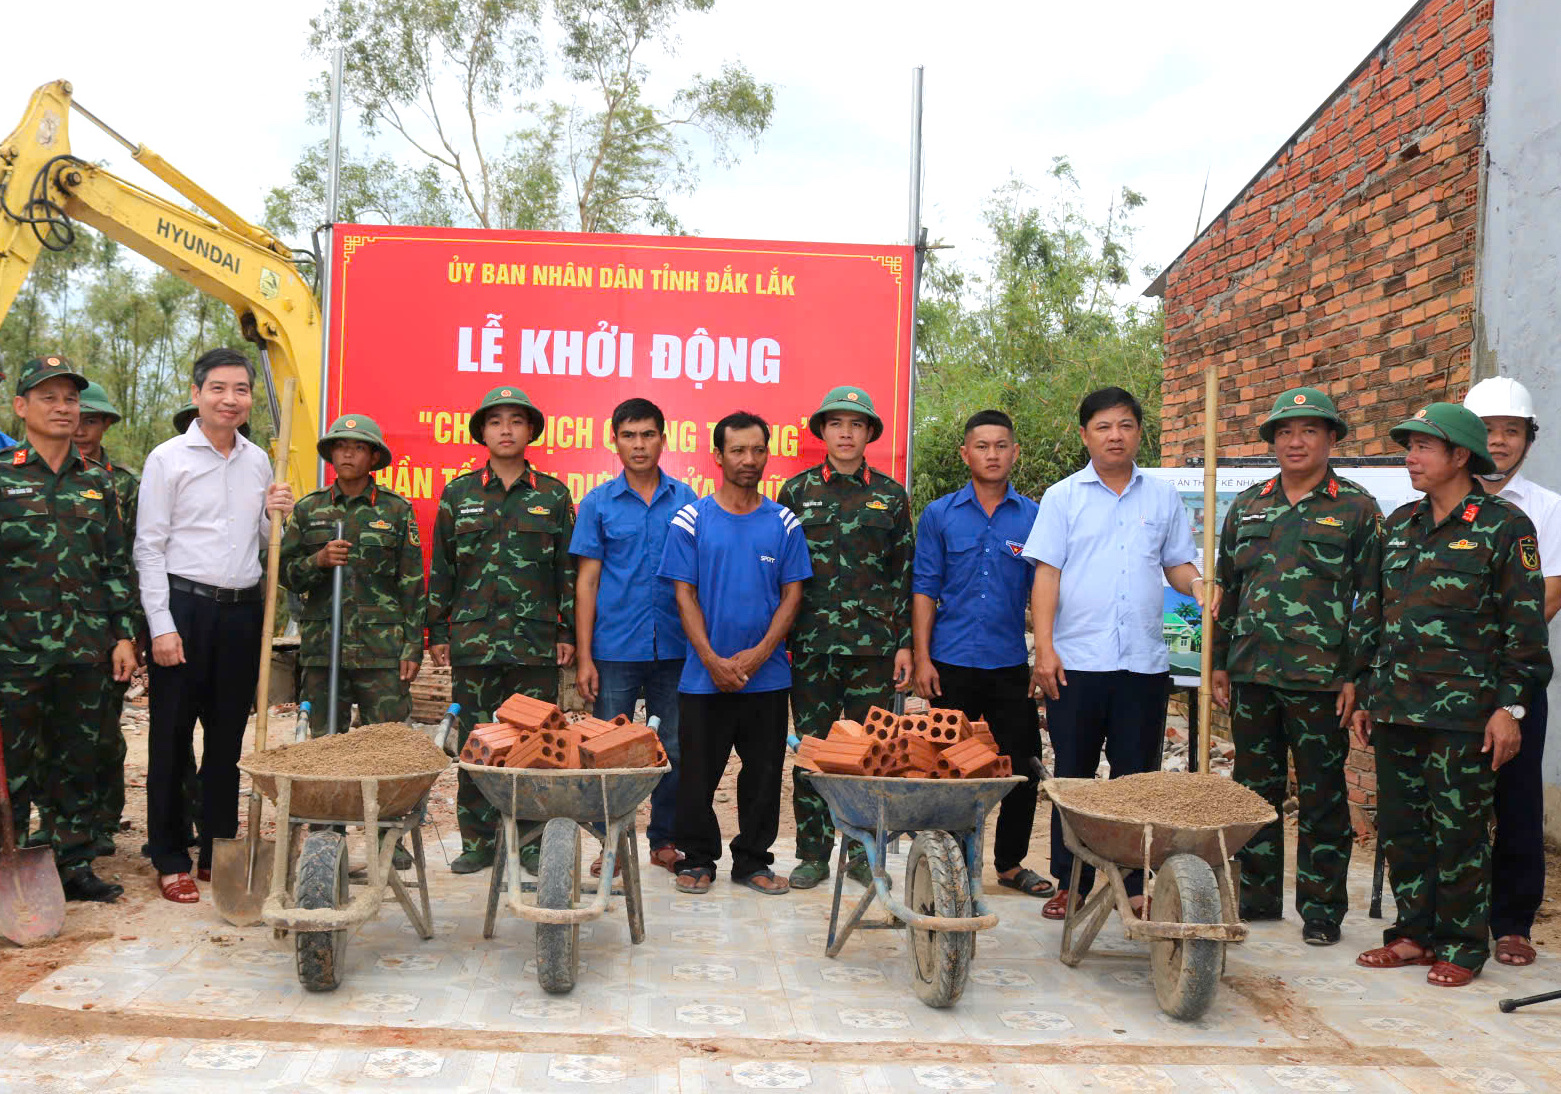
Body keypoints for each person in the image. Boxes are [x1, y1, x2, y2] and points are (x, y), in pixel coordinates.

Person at [1352, 403, 1551, 987]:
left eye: (1422, 448)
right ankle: (1413, 933)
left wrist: (1509, 709)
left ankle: (1464, 946)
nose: (1409, 458)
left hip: (1465, 716)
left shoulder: (1504, 527)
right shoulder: (1399, 524)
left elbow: (1526, 634)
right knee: (1403, 829)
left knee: (1460, 834)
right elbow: (1375, 614)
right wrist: (1365, 689)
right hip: (1396, 707)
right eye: (1408, 446)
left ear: (1460, 456)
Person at [1026, 387, 1209, 920]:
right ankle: (1071, 882)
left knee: (1136, 779)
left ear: (1138, 433)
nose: (1115, 435)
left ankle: (1133, 882)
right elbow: (1047, 575)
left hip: (1143, 664)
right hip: (1077, 662)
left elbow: (1177, 564)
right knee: (1075, 779)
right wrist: (1045, 650)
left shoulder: (1161, 498)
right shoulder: (1063, 497)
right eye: (1103, 426)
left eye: (1125, 425)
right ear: (1085, 435)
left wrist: (1198, 584)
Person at [1211, 387, 1381, 945]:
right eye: (1284, 432)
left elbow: (1371, 600)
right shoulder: (1248, 506)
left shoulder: (1356, 509)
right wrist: (1219, 663)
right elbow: (1228, 590)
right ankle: (1257, 900)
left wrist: (1357, 676)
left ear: (1332, 439)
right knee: (1252, 795)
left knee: (1323, 797)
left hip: (1321, 682)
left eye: (1309, 430)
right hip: (1254, 676)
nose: (1295, 441)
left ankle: (1322, 911)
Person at [136, 347, 294, 903]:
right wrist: (161, 625)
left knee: (228, 738)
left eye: (241, 390)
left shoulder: (258, 462)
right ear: (198, 392)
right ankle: (170, 854)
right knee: (172, 736)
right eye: (219, 389)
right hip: (184, 608)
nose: (231, 399)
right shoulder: (168, 458)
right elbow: (149, 548)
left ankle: (218, 845)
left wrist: (276, 510)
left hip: (242, 611)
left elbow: (258, 541)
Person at [0, 356, 137, 902]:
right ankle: (8, 863)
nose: (63, 408)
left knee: (77, 759)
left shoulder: (97, 485)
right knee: (12, 765)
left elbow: (115, 567)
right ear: (21, 407)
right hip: (13, 652)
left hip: (84, 650)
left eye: (71, 399)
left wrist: (124, 635)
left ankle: (72, 863)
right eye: (49, 397)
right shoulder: (4, 476)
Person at [659, 411, 811, 896]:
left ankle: (753, 862)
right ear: (719, 456)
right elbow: (683, 595)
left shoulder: (784, 522)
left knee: (764, 774)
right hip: (704, 677)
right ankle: (697, 858)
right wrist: (711, 659)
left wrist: (759, 654)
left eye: (758, 450)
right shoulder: (691, 518)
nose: (749, 460)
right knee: (697, 773)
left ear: (767, 453)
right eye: (738, 450)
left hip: (765, 679)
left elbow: (792, 595)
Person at [427, 386, 574, 874]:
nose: (506, 429)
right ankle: (478, 841)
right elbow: (443, 570)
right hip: (474, 642)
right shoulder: (458, 493)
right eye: (495, 421)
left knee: (536, 742)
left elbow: (566, 573)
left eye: (516, 420)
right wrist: (437, 632)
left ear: (531, 430)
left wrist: (566, 632)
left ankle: (532, 842)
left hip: (534, 645)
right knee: (477, 740)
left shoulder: (552, 495)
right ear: (482, 432)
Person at [779, 386, 914, 890]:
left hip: (873, 651)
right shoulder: (795, 493)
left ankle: (862, 852)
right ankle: (812, 852)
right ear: (822, 432)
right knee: (813, 751)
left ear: (870, 434)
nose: (846, 433)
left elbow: (905, 574)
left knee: (869, 753)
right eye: (836, 424)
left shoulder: (891, 495)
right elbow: (784, 574)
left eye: (856, 425)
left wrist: (905, 643)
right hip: (812, 646)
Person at [914, 409, 1050, 897]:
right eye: (982, 446)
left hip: (1009, 664)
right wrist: (923, 658)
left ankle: (1010, 864)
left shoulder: (1035, 516)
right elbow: (925, 587)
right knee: (946, 767)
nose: (992, 454)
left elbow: (1045, 592)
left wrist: (1044, 656)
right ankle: (948, 858)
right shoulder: (940, 515)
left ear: (1015, 452)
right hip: (949, 664)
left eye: (1001, 445)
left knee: (1021, 767)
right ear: (965, 454)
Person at [570, 398, 695, 877]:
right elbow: (587, 581)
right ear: (614, 440)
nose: (639, 444)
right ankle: (611, 844)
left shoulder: (687, 501)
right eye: (629, 435)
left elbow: (698, 578)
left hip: (677, 649)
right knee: (610, 751)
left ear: (664, 439)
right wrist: (585, 657)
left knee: (673, 749)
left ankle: (664, 840)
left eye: (647, 435)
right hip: (615, 649)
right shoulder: (598, 504)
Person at [1462, 377, 1561, 968]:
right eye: (1489, 430)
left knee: (1518, 800)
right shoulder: (1437, 504)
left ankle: (1513, 922)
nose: (1499, 441)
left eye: (1512, 431)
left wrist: (1489, 653)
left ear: (1528, 439)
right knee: (1448, 801)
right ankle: (1449, 914)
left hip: (1513, 679)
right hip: (1446, 683)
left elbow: (1547, 594)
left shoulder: (1546, 509)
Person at [280, 414, 424, 732]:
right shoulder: (308, 510)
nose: (348, 454)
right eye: (341, 446)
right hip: (323, 648)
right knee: (323, 745)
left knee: (387, 744)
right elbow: (286, 574)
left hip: (381, 649)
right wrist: (317, 560)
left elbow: (412, 583)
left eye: (358, 447)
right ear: (331, 453)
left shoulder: (396, 510)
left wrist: (413, 647)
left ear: (373, 457)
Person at [69, 381, 141, 859]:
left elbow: (134, 560)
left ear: (105, 426)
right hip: (38, 631)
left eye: (91, 421)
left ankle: (101, 823)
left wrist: (129, 633)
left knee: (101, 732)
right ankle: (54, 832)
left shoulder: (124, 484)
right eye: (77, 418)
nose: (81, 429)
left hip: (105, 626)